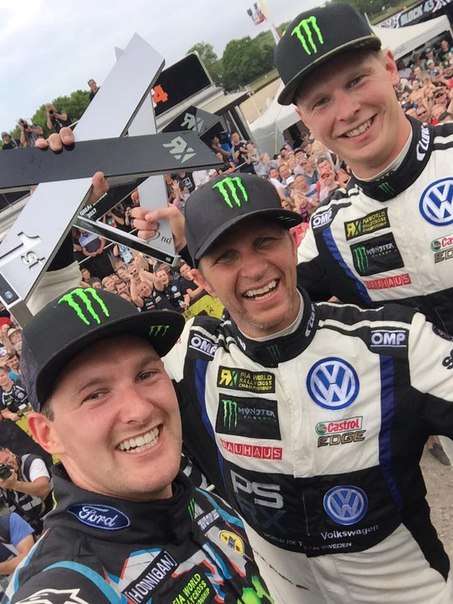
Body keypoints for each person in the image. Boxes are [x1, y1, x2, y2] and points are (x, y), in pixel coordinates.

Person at [129, 171, 453, 603]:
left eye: (265, 241)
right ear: (201, 280)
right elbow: (80, 389)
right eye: (226, 257)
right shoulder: (193, 357)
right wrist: (57, 225)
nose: (254, 268)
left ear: (292, 243)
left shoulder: (394, 344)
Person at [5, 289, 273, 603]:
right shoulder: (63, 586)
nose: (140, 410)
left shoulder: (199, 501)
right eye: (95, 394)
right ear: (47, 434)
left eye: (146, 374)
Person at [274, 3, 453, 466]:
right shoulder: (328, 234)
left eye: (356, 80)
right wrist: (184, 243)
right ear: (305, 120)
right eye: (321, 102)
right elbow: (262, 313)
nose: (347, 110)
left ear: (390, 67)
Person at [0, 447, 52, 534]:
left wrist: (14, 484)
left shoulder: (31, 462)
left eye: (7, 460)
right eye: (1, 467)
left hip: (56, 512)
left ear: (9, 452)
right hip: (33, 528)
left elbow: (43, 489)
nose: (8, 466)